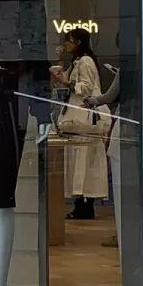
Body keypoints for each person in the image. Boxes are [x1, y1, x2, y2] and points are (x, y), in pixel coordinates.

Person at [51, 27, 109, 220]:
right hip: (80, 117)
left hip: (83, 117)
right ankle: (82, 204)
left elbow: (85, 88)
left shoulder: (85, 62)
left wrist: (67, 83)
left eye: (69, 40)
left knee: (83, 161)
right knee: (82, 162)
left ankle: (84, 204)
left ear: (78, 42)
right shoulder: (79, 62)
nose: (66, 44)